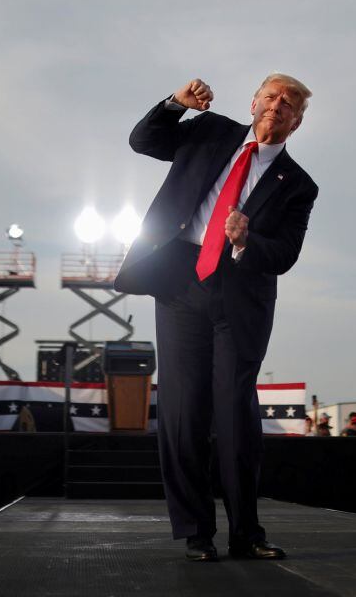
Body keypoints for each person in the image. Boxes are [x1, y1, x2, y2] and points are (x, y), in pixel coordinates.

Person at [115, 74, 318, 562]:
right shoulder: (210, 132)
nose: (277, 106)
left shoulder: (300, 185)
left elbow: (285, 254)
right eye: (270, 97)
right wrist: (174, 104)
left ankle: (246, 532)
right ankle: (195, 533)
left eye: (289, 104)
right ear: (253, 103)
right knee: (183, 414)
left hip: (240, 295)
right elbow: (144, 141)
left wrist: (248, 241)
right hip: (181, 282)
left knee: (234, 415)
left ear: (297, 121)